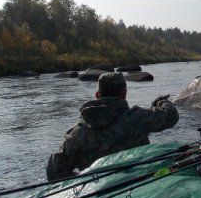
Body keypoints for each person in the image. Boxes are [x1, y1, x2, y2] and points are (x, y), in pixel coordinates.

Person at [46, 72, 179, 180]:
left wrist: (82, 179)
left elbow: (54, 172)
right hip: (140, 186)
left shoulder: (77, 133)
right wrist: (162, 101)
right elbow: (171, 116)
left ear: (97, 95)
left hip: (97, 195)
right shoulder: (137, 118)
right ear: (124, 93)